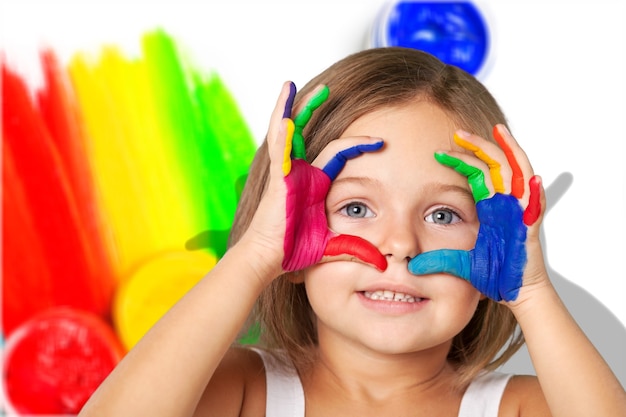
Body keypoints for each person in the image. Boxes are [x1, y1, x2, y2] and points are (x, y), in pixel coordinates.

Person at [78, 47, 626, 417]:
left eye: (443, 215)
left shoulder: (514, 408)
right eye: (358, 207)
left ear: (492, 255)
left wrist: (532, 293)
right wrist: (257, 254)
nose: (400, 245)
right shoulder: (249, 392)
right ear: (293, 237)